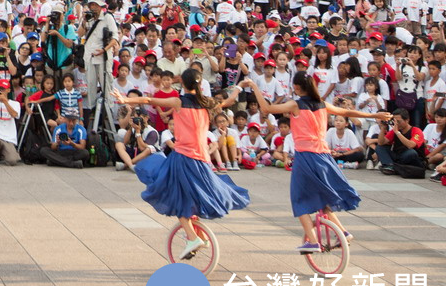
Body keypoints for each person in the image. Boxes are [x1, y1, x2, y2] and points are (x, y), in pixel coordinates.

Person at [242, 73, 389, 253]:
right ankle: (343, 232)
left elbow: (266, 108)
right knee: (323, 199)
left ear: (296, 87)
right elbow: (347, 112)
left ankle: (312, 241)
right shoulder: (322, 104)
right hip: (324, 156)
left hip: (306, 156)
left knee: (299, 199)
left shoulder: (296, 105)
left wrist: (254, 86)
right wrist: (374, 114)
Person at [114, 68, 250, 260]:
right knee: (193, 195)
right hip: (202, 159)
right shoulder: (207, 103)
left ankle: (193, 237)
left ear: (183, 84)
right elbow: (228, 101)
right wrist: (239, 86)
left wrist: (125, 100)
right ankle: (198, 234)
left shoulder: (179, 102)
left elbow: (149, 101)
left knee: (175, 195)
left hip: (184, 157)